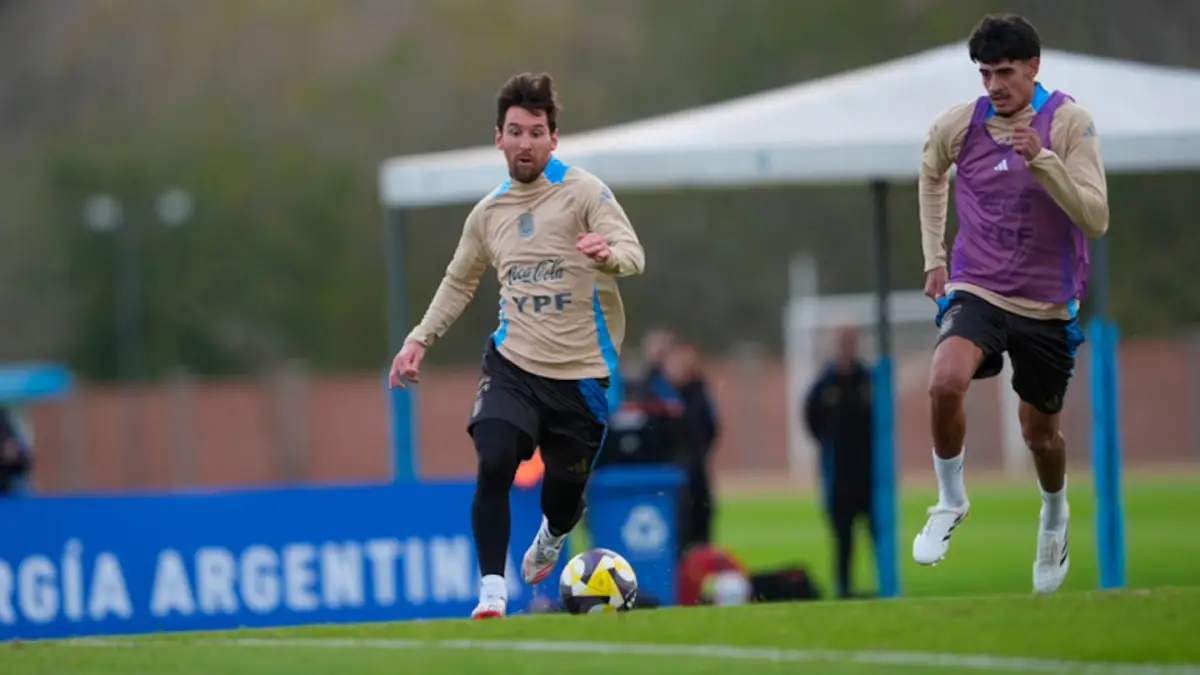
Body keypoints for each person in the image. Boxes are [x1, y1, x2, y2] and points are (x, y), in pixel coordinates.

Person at [388, 72, 646, 619]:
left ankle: (553, 533)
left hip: (580, 376)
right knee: (495, 461)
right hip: (513, 366)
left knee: (562, 497)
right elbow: (459, 281)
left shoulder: (584, 193)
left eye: (536, 132)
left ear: (554, 138)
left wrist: (608, 254)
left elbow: (632, 252)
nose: (524, 143)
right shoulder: (488, 214)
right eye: (515, 132)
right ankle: (492, 593)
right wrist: (418, 339)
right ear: (498, 139)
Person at [915, 14, 1109, 594]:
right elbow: (930, 172)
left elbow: (1095, 219)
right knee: (945, 380)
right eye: (985, 74)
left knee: (1040, 436)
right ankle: (951, 500)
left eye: (1004, 72)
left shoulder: (1069, 123)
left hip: (1048, 306)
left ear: (1033, 67)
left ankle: (1054, 515)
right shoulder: (962, 123)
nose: (995, 85)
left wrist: (1043, 162)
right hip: (979, 287)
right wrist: (934, 258)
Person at [802, 325, 875, 599]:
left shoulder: (868, 379)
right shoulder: (824, 384)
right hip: (838, 474)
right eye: (841, 341)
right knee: (842, 536)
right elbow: (810, 418)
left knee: (877, 531)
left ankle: (885, 582)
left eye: (850, 340)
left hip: (869, 473)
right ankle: (843, 588)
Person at [663, 340, 720, 557]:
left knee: (701, 525)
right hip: (671, 473)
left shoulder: (699, 391)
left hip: (696, 470)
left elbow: (710, 428)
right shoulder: (658, 392)